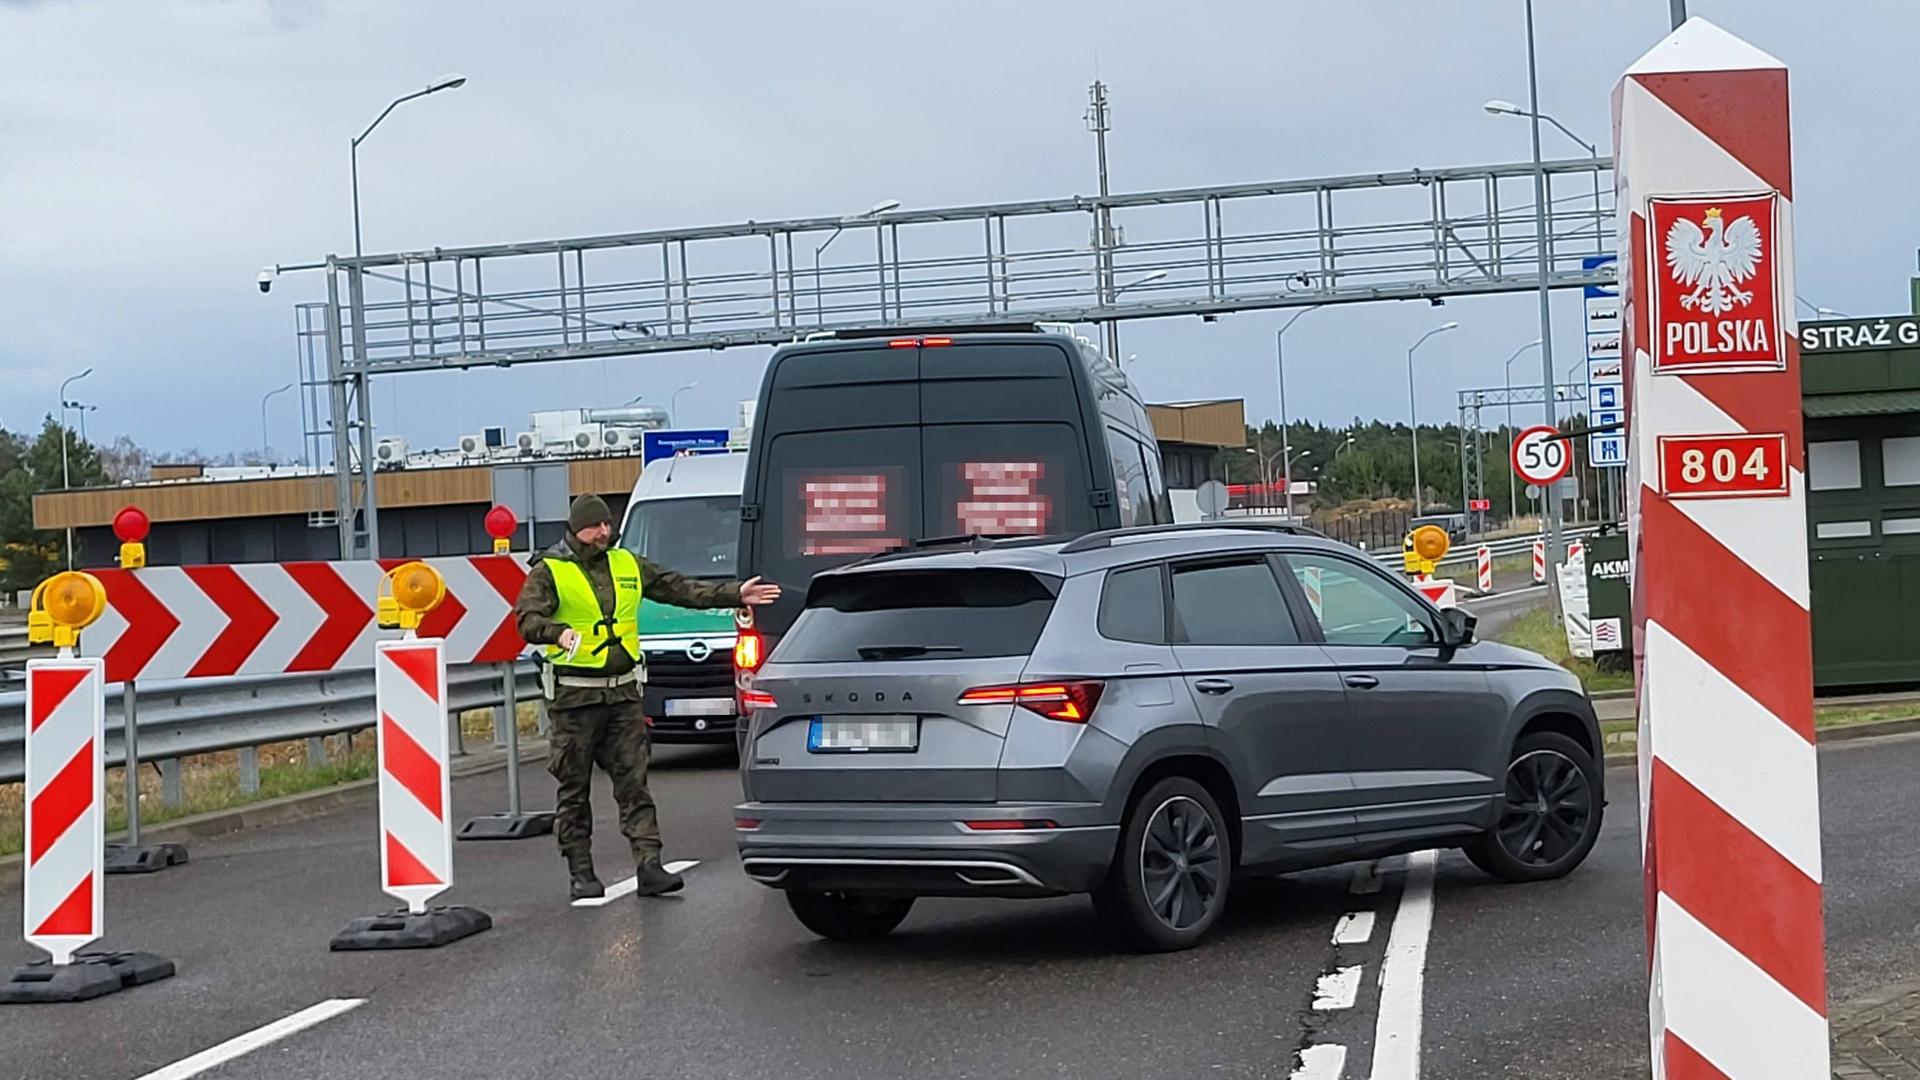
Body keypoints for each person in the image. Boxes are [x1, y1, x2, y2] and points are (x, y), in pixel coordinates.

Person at [514, 493, 780, 900]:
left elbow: (679, 588)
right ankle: (581, 873)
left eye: (607, 525)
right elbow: (527, 620)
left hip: (622, 694)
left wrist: (734, 594)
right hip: (575, 700)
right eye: (596, 526)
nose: (605, 532)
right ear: (576, 528)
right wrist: (556, 632)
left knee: (634, 785)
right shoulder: (549, 571)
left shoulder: (626, 564)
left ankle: (650, 867)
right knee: (573, 789)